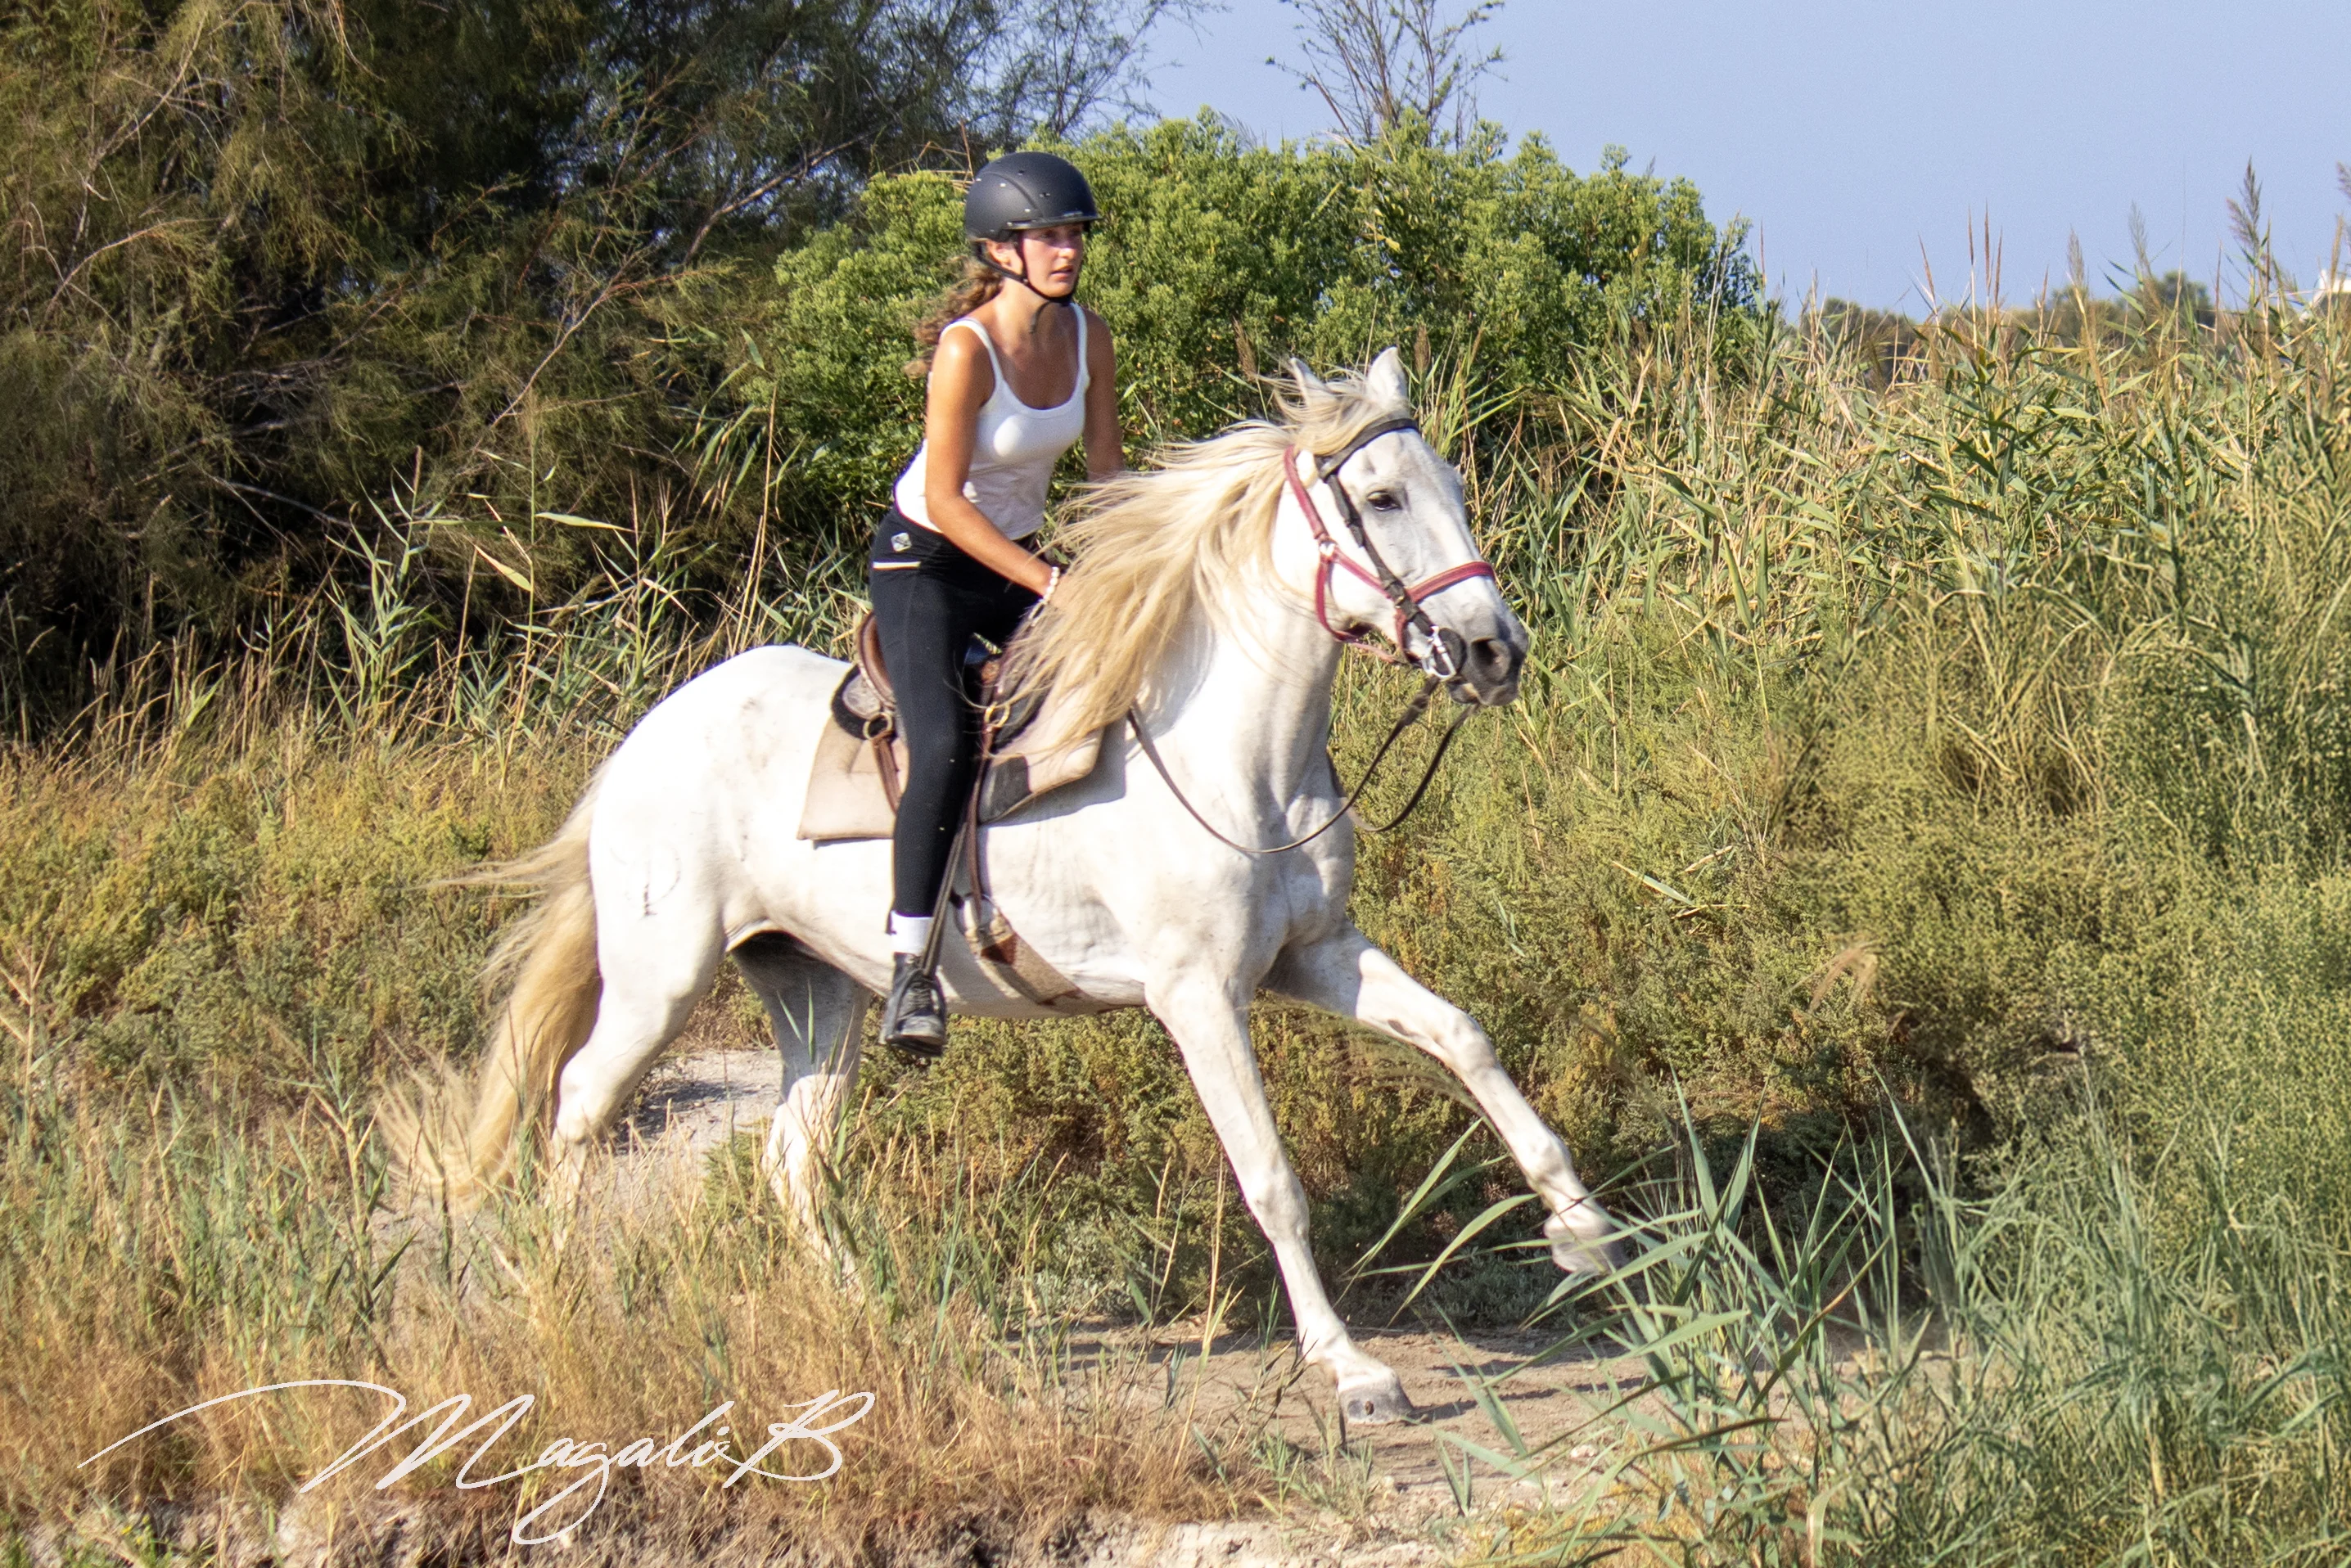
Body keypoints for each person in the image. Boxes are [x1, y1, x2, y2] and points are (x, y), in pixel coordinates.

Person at [870, 151, 1124, 1057]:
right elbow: (945, 500)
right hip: (926, 564)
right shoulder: (966, 349)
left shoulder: (1089, 335)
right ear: (1001, 250)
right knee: (940, 741)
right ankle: (910, 968)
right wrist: (1052, 581)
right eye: (1048, 236)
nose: (1067, 251)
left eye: (1074, 235)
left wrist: (1127, 569)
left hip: (1021, 563)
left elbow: (1103, 478)